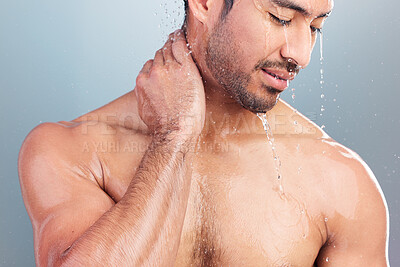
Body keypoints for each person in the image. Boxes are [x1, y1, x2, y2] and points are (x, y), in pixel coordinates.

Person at [18, 0, 389, 265]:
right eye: (280, 17)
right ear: (205, 3)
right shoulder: (72, 152)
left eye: (315, 27)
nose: (301, 54)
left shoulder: (340, 180)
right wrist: (174, 135)